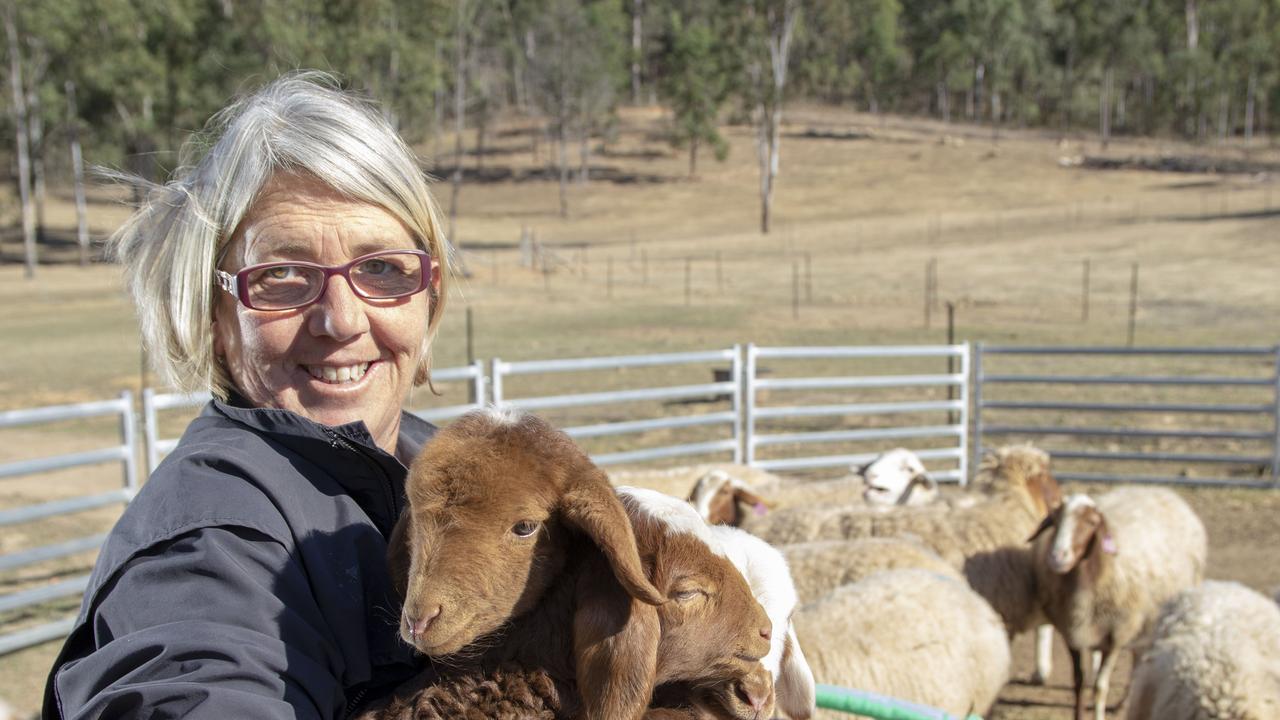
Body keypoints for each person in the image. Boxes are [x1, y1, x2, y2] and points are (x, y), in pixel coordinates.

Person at [42, 73, 452, 720]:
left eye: (381, 268)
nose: (341, 319)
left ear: (430, 291)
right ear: (212, 313)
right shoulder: (209, 543)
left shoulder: (439, 463)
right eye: (282, 276)